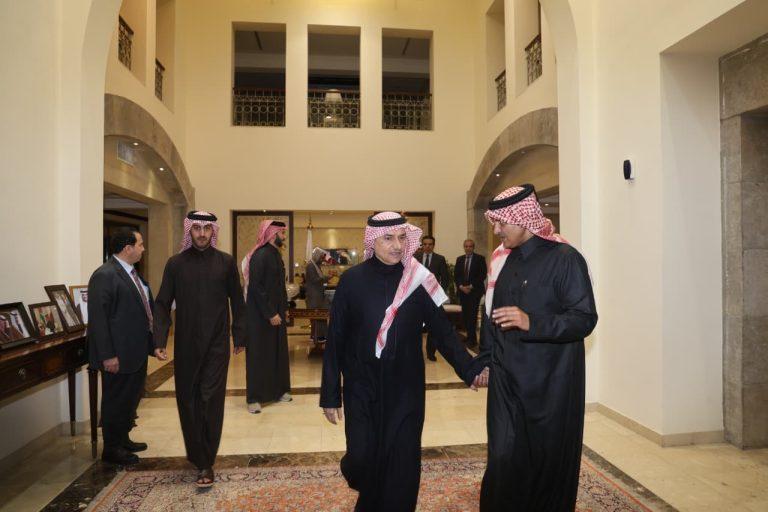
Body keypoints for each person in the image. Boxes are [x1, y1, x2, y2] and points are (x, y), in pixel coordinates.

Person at [320, 212, 488, 512]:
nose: (397, 246)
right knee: (361, 457)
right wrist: (330, 394)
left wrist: (469, 368)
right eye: (388, 238)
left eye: (401, 238)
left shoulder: (418, 280)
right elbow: (335, 340)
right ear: (373, 241)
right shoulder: (352, 281)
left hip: (405, 387)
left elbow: (443, 332)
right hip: (362, 386)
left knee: (402, 462)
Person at [478, 184, 598, 511]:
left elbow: (584, 319)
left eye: (501, 222)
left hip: (550, 383)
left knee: (545, 460)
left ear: (524, 219)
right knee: (503, 457)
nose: (496, 230)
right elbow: (492, 316)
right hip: (506, 380)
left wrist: (533, 322)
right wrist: (486, 361)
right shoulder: (505, 260)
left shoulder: (566, 259)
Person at [153, 211, 247, 487]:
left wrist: (240, 335)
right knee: (188, 400)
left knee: (210, 400)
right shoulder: (175, 264)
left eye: (207, 228)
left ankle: (206, 462)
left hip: (217, 345)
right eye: (197, 228)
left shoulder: (226, 262)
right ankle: (197, 454)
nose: (202, 233)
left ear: (213, 231)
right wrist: (159, 340)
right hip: (186, 345)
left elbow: (237, 302)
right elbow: (162, 303)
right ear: (189, 230)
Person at [87, 227, 154, 465]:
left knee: (129, 398)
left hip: (134, 350)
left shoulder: (131, 273)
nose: (143, 249)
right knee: (116, 400)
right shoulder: (104, 275)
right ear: (128, 248)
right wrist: (108, 355)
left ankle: (123, 438)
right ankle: (112, 448)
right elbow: (99, 319)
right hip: (117, 353)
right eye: (140, 244)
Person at [241, 220, 292, 414]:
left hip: (276, 314)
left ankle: (279, 391)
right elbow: (256, 288)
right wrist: (270, 313)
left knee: (277, 353)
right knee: (259, 356)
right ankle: (254, 399)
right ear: (272, 234)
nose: (284, 237)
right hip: (260, 317)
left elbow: (280, 286)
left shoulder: (276, 255)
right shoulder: (259, 256)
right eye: (282, 233)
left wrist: (284, 308)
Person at [414, 235, 449, 361]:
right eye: (425, 244)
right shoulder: (415, 258)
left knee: (433, 326)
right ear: (422, 245)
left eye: (430, 244)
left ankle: (430, 353)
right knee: (415, 325)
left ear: (433, 245)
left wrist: (438, 294)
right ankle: (415, 351)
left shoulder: (440, 259)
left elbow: (445, 278)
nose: (427, 246)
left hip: (433, 298)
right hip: (417, 297)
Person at [454, 239, 487, 348]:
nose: (468, 248)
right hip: (463, 292)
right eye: (466, 246)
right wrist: (461, 286)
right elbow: (456, 275)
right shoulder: (459, 259)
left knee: (472, 315)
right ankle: (469, 336)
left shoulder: (480, 259)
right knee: (466, 315)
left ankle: (473, 340)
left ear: (473, 247)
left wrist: (471, 286)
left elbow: (482, 275)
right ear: (464, 247)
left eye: (470, 246)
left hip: (474, 292)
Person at [305, 247, 332, 343]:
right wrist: (326, 278)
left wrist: (325, 278)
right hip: (314, 297)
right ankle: (317, 337)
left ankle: (321, 336)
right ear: (317, 256)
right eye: (321, 257)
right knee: (316, 317)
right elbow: (314, 280)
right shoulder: (310, 266)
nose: (322, 259)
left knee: (321, 316)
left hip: (318, 296)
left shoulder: (316, 265)